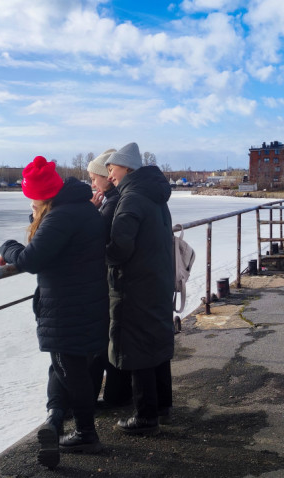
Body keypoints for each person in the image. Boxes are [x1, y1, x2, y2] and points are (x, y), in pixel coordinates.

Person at [0, 156, 107, 468]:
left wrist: (7, 247)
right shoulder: (80, 207)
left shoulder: (61, 216)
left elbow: (31, 259)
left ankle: (86, 433)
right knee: (63, 368)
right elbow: (53, 242)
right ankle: (55, 422)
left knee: (70, 372)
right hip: (85, 302)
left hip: (67, 307)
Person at [104, 143, 175, 435]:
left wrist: (99, 253)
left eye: (112, 169)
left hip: (134, 284)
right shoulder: (155, 195)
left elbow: (120, 248)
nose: (109, 176)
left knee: (137, 347)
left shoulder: (131, 198)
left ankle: (145, 416)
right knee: (156, 341)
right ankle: (162, 405)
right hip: (157, 280)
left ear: (127, 168)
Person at [86, 149, 132, 409]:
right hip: (115, 280)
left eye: (95, 177)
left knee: (109, 341)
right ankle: (117, 394)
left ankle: (115, 396)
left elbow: (96, 238)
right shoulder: (115, 199)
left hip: (111, 281)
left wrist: (91, 214)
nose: (92, 183)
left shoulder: (114, 202)